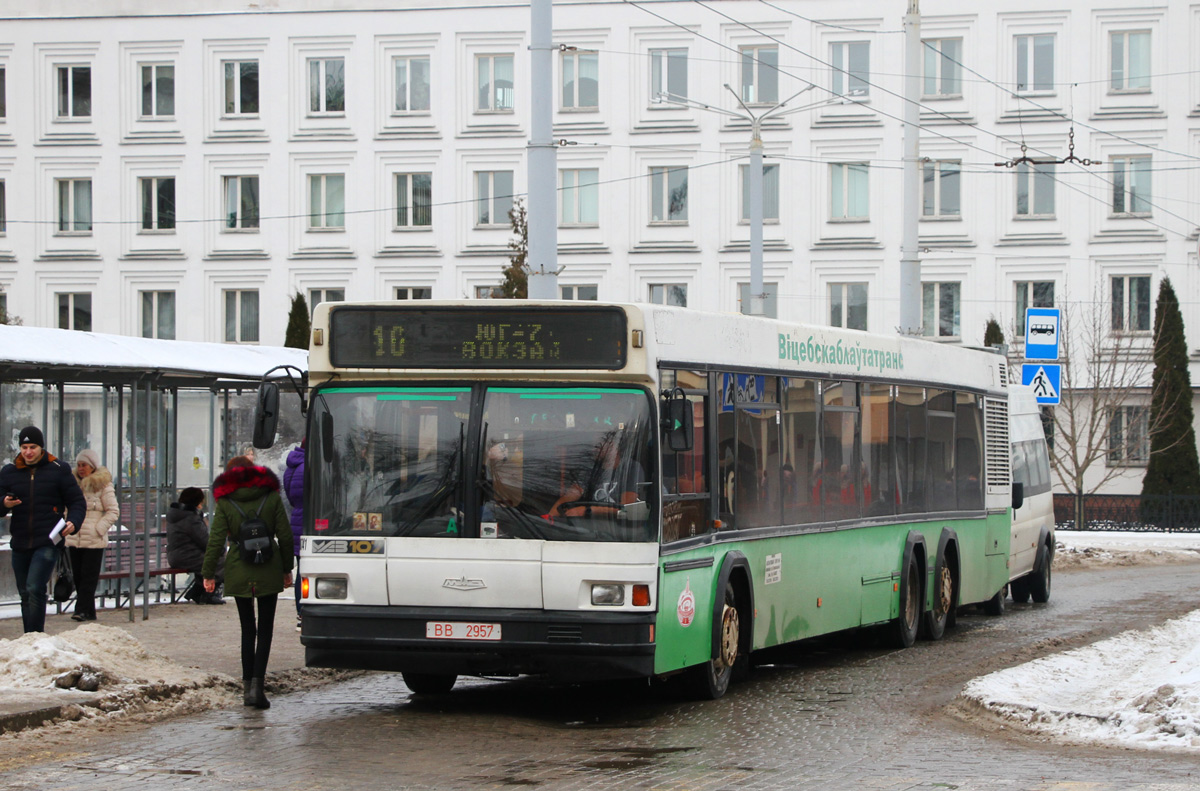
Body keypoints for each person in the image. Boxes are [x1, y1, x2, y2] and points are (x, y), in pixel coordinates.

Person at [202, 455, 292, 710]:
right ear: (254, 473)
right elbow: (285, 535)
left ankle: (245, 691)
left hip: (239, 567)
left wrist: (208, 574)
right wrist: (287, 569)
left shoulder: (225, 502)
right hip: (268, 566)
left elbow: (216, 540)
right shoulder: (271, 497)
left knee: (247, 628)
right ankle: (257, 689)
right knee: (265, 629)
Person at [0, 426, 85, 633]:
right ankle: (30, 638)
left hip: (48, 541)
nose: (28, 452)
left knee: (34, 588)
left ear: (41, 447)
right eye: (24, 447)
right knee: (24, 592)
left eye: (33, 447)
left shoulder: (58, 469)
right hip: (20, 541)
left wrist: (73, 522)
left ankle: (35, 636)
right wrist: (5, 503)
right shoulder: (9, 472)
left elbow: (77, 502)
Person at [64, 449, 119, 621]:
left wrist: (99, 529)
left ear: (92, 466)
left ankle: (80, 610)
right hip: (74, 537)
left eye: (84, 465)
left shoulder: (103, 485)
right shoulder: (71, 485)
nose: (81, 469)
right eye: (79, 465)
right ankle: (89, 611)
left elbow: (113, 511)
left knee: (89, 576)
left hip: (94, 539)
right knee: (79, 576)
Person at [166, 487, 224, 605]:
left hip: (178, 555)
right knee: (219, 561)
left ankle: (197, 592)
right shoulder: (190, 518)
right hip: (187, 556)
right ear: (196, 502)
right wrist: (220, 550)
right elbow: (205, 541)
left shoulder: (178, 514)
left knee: (208, 561)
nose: (202, 505)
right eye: (201, 502)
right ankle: (207, 594)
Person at [282, 439, 305, 631]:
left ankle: (300, 613)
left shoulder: (292, 465)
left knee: (302, 571)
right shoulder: (311, 465)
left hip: (297, 519)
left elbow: (290, 495)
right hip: (312, 521)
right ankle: (305, 613)